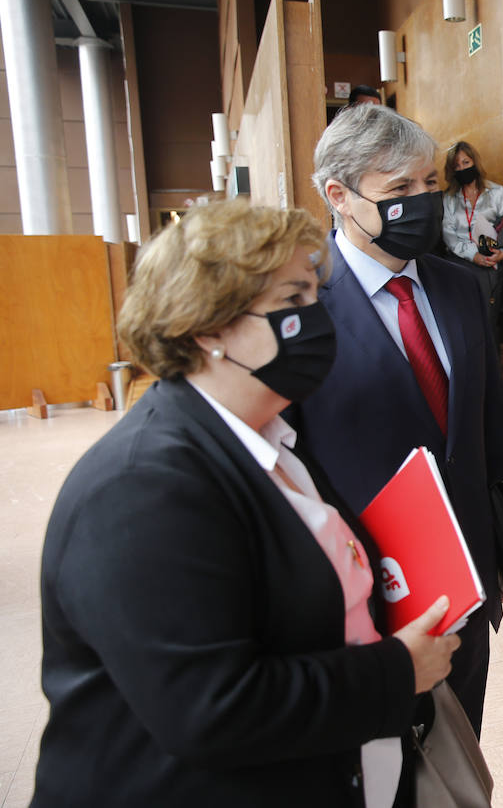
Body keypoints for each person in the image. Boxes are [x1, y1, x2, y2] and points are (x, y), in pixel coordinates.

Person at [34, 200, 460, 807]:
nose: (318, 319)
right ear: (207, 327)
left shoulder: (271, 437)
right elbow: (210, 709)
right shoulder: (142, 488)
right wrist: (395, 672)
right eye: (292, 302)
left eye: (316, 295)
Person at [292, 104, 503, 736]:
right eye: (399, 189)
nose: (422, 201)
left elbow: (490, 429)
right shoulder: (299, 300)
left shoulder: (461, 288)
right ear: (339, 196)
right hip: (363, 585)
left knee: (460, 749)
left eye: (429, 183)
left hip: (465, 579)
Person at [439, 140, 503, 334]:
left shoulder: (496, 192)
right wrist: (473, 256)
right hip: (461, 261)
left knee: (489, 321)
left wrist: (502, 253)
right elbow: (449, 236)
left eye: (465, 163)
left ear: (474, 162)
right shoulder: (449, 198)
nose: (461, 168)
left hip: (493, 258)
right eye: (456, 166)